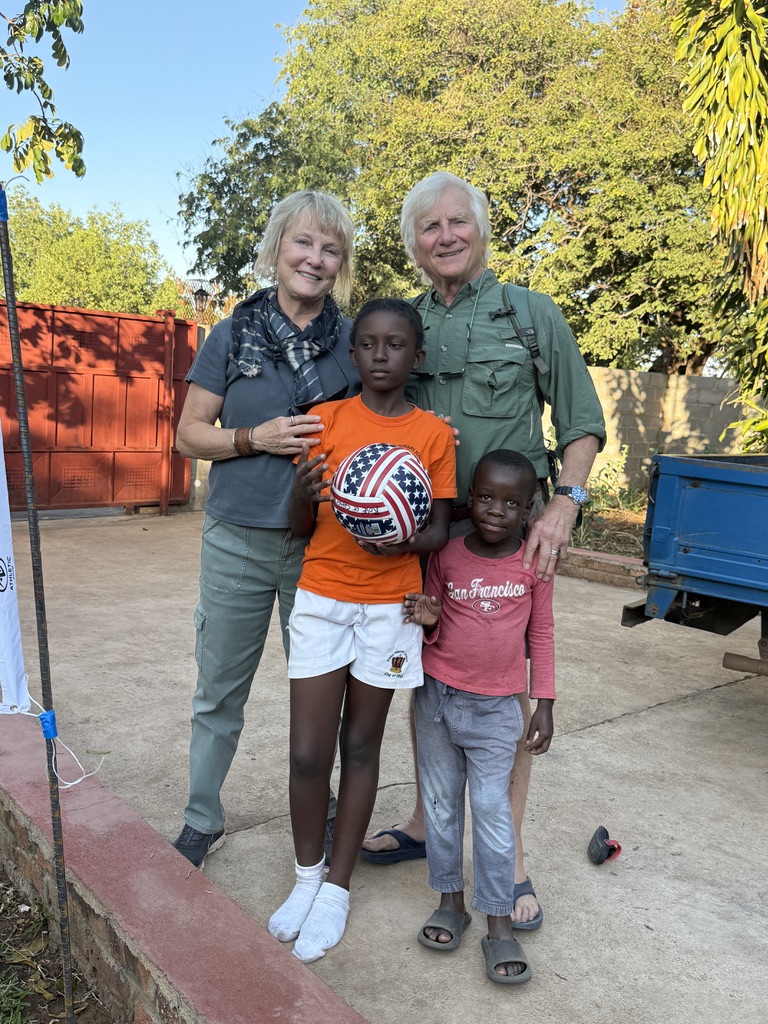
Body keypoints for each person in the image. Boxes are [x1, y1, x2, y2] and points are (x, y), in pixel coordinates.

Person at [361, 171, 606, 929]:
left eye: (457, 221)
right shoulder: (406, 325)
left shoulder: (531, 314)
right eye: (429, 227)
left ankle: (512, 855)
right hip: (429, 535)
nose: (445, 236)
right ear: (414, 245)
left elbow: (581, 421)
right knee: (428, 674)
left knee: (505, 689)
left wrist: (564, 503)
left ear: (481, 229)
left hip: (510, 536)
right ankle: (424, 819)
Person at [171, 190, 361, 868]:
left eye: (330, 248)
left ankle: (325, 811)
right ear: (278, 247)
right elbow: (189, 435)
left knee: (323, 696)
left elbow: (386, 421)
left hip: (325, 547)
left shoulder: (355, 341)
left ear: (341, 263)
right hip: (237, 542)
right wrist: (254, 437)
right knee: (219, 690)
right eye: (303, 242)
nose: (314, 258)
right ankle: (201, 819)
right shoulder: (233, 333)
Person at [267, 298, 456, 963]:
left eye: (395, 344)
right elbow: (299, 526)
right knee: (307, 753)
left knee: (360, 745)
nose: (381, 355)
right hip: (322, 599)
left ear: (416, 357)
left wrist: (399, 537)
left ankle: (337, 888)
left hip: (389, 609)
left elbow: (439, 529)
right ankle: (306, 877)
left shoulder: (432, 435)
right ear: (353, 354)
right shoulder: (324, 421)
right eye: (369, 343)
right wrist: (303, 493)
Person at [405, 448, 554, 985]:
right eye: (486, 497)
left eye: (511, 503)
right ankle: (450, 902)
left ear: (528, 509)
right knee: (441, 805)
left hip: (496, 709)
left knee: (491, 810)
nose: (496, 510)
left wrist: (545, 702)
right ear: (470, 499)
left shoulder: (534, 563)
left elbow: (542, 632)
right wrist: (427, 621)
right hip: (437, 700)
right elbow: (433, 622)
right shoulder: (445, 555)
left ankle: (499, 923)